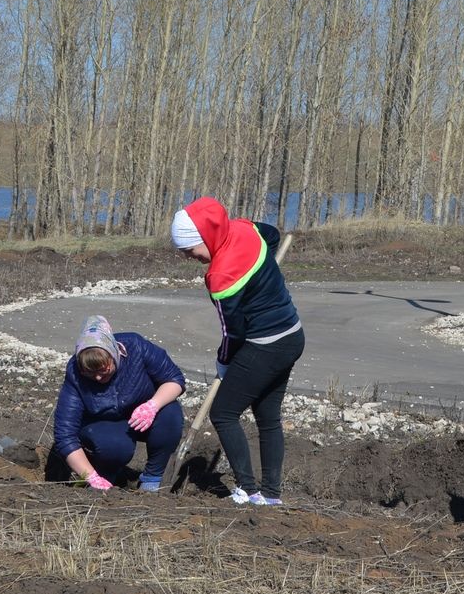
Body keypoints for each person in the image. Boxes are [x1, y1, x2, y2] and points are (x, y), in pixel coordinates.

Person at [171, 197, 303, 505]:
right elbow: (271, 235)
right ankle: (271, 495)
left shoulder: (220, 277)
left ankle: (247, 489)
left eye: (191, 250)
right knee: (267, 416)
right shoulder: (245, 229)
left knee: (223, 412)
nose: (191, 257)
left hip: (266, 344)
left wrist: (223, 361)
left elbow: (234, 331)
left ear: (205, 238)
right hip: (293, 336)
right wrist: (260, 271)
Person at [53, 315, 185, 491]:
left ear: (114, 354)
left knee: (170, 414)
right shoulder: (75, 374)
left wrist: (152, 405)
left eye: (103, 371)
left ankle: (153, 477)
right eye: (91, 374)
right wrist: (90, 476)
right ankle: (106, 474)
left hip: (143, 416)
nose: (98, 378)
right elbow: (65, 434)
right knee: (115, 445)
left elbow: (174, 379)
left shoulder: (136, 347)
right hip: (103, 425)